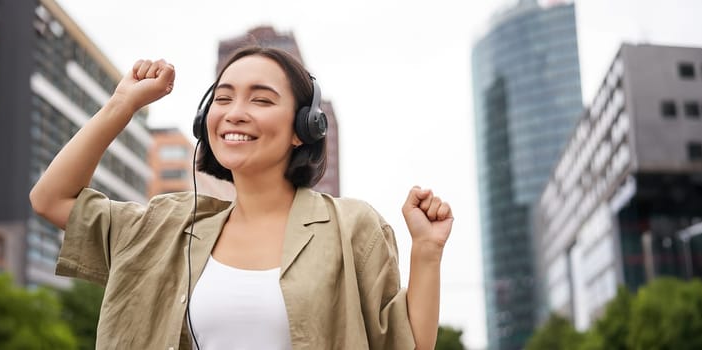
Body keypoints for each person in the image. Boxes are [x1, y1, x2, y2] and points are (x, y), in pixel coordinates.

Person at [30, 46, 454, 350]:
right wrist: (123, 104)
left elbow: (408, 344)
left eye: (261, 99)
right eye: (223, 97)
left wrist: (427, 253)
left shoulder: (351, 227)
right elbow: (51, 199)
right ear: (205, 120)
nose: (234, 112)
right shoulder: (166, 226)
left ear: (302, 129)